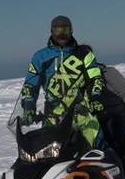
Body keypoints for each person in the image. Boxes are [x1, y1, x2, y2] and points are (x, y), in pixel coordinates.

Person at [19, 15, 106, 152]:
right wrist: (29, 108)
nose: (61, 34)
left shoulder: (84, 55)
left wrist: (95, 98)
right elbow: (30, 86)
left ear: (71, 31)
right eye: (57, 30)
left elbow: (96, 79)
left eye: (65, 30)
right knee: (47, 156)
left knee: (99, 148)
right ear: (51, 32)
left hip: (82, 114)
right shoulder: (40, 57)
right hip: (52, 117)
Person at [79, 45, 125, 179]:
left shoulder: (108, 73)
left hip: (114, 114)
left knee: (117, 133)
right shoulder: (75, 81)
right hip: (90, 120)